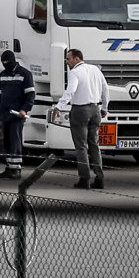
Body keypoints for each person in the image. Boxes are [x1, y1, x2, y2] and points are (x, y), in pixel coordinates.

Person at [53, 49, 109, 190]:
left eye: (68, 59)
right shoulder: (95, 70)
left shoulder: (75, 72)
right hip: (95, 109)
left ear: (77, 59)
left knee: (81, 146)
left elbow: (70, 91)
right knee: (94, 145)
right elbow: (105, 88)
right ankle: (99, 178)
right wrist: (104, 108)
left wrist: (58, 106)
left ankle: (84, 179)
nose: (67, 62)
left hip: (80, 110)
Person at [0, 50, 35, 180]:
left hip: (17, 115)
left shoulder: (25, 74)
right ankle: (9, 167)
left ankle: (16, 169)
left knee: (15, 141)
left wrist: (25, 109)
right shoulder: (3, 75)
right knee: (6, 141)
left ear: (12, 60)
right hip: (4, 114)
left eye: (7, 62)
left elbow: (30, 94)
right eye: (3, 62)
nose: (5, 64)